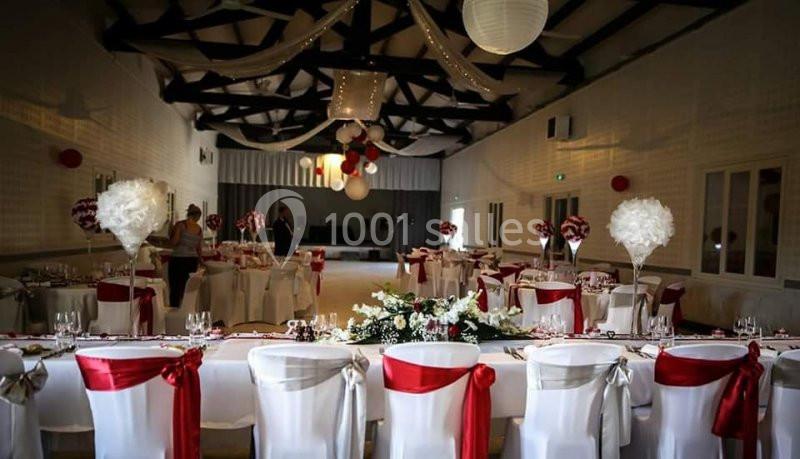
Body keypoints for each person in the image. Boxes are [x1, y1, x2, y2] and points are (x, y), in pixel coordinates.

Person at [167, 204, 203, 308]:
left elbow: (174, 242)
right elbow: (199, 248)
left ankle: (175, 309)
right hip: (192, 261)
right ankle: (187, 309)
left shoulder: (181, 225)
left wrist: (169, 235)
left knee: (175, 287)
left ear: (188, 214)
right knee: (187, 287)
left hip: (178, 259)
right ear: (197, 216)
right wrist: (201, 260)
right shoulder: (199, 229)